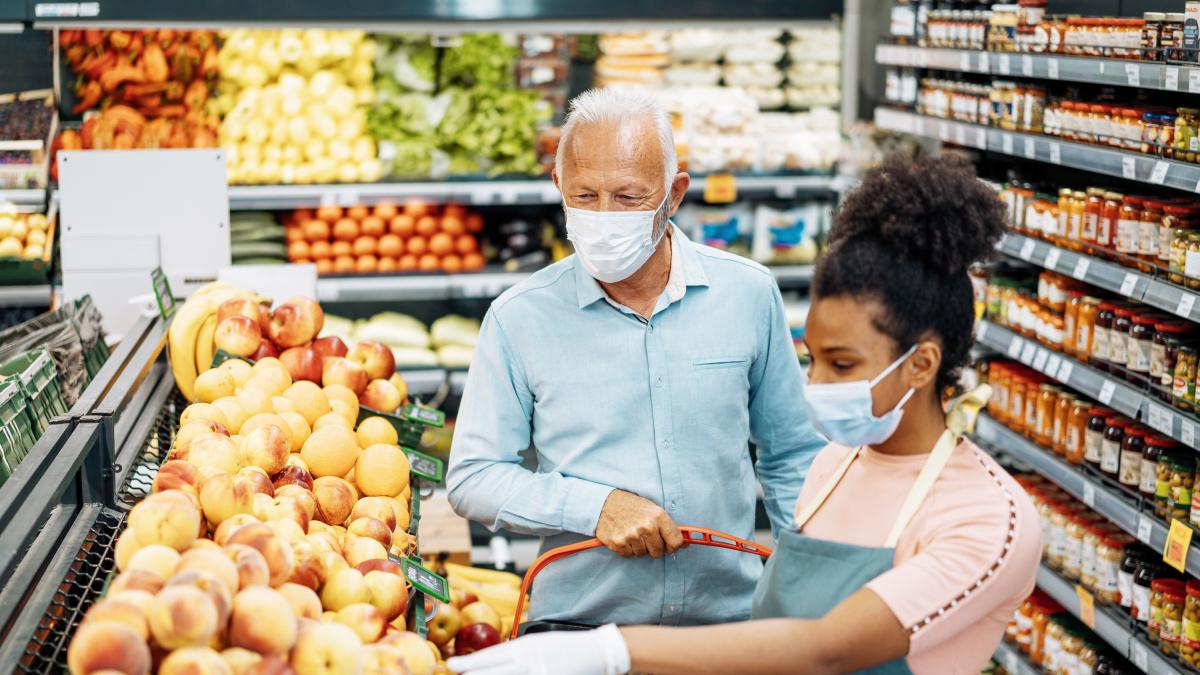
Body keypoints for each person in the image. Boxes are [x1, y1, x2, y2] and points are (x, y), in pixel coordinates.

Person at [448, 155, 1042, 675]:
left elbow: (826, 650)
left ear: (922, 364)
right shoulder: (834, 467)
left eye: (840, 364)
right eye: (811, 360)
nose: (813, 386)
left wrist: (609, 653)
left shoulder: (989, 516)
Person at [446, 88, 826, 626]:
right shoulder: (519, 319)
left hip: (727, 625)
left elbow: (791, 454)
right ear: (558, 186)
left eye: (628, 198)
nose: (604, 217)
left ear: (674, 195)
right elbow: (473, 476)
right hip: (580, 627)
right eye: (584, 196)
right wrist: (594, 507)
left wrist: (804, 584)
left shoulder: (747, 295)